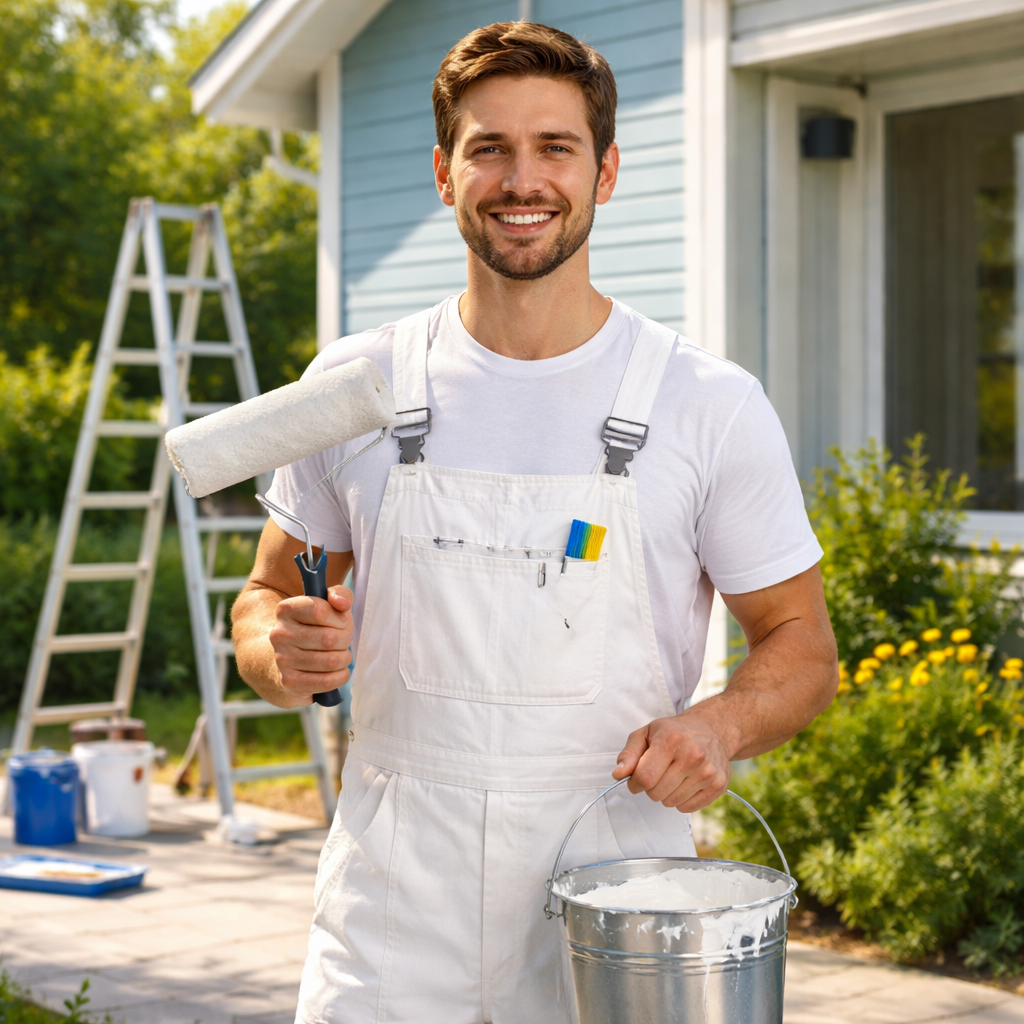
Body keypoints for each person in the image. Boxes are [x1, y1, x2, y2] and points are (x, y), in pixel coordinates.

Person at [231, 20, 838, 1024]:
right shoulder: (354, 384)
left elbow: (801, 645)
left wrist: (718, 724)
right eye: (489, 148)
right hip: (391, 911)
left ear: (603, 173)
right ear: (441, 171)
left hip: (617, 903)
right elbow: (263, 598)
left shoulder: (705, 402)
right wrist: (277, 647)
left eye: (554, 147)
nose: (523, 179)